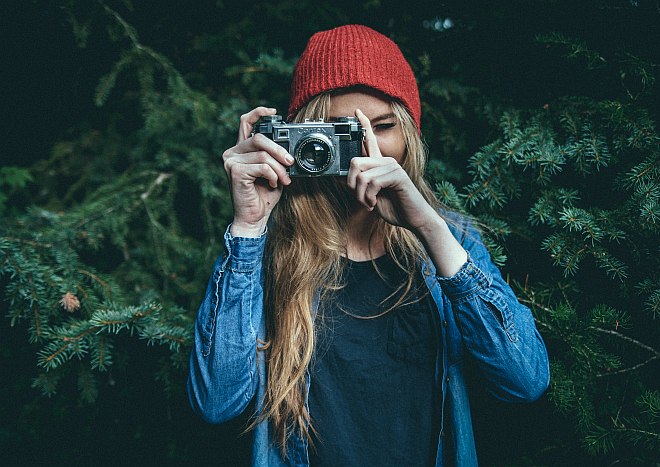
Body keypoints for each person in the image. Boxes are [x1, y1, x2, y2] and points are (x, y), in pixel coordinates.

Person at [187, 24, 549, 467]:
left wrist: (430, 230)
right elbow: (216, 402)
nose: (366, 151)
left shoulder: (450, 241)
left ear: (411, 135)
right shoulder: (266, 249)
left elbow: (525, 380)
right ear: (303, 141)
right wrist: (247, 228)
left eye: (382, 127)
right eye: (342, 133)